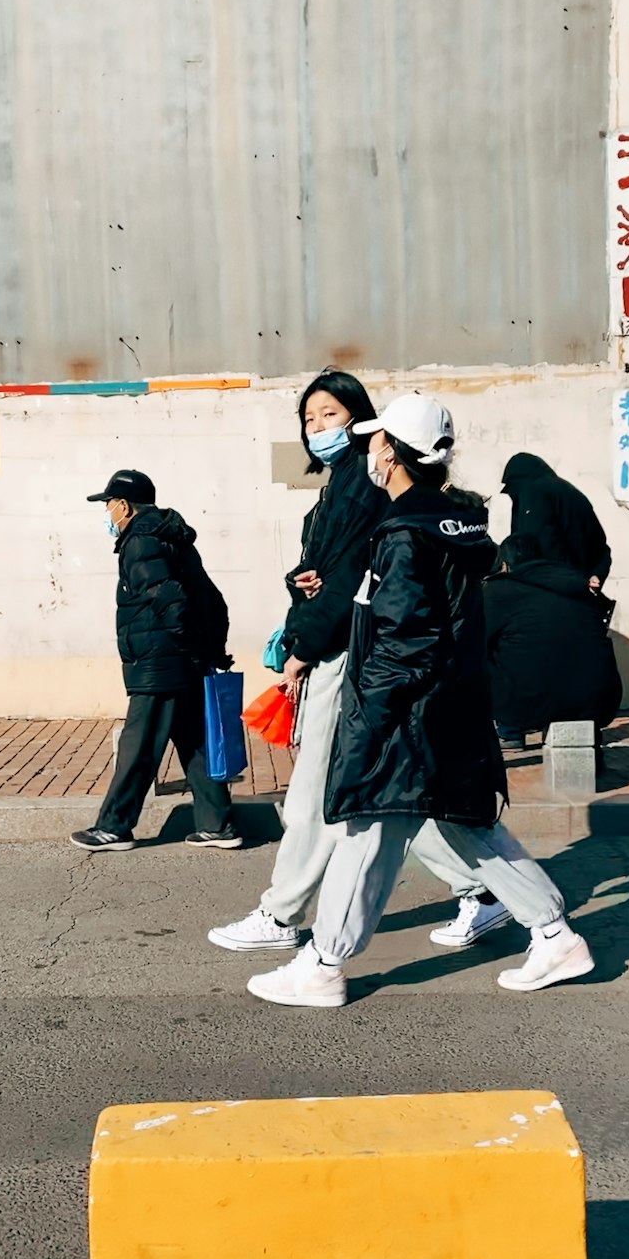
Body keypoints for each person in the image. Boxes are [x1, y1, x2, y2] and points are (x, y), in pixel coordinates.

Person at [246, 395, 595, 1008]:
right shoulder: (456, 523)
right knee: (465, 826)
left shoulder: (404, 534)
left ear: (394, 452)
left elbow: (403, 642)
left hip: (407, 715)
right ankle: (553, 934)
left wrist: (369, 724)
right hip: (452, 707)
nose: (369, 451)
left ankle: (323, 964)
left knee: (366, 830)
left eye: (377, 442)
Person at [207, 369, 387, 948]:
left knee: (311, 791)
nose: (318, 428)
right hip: (345, 643)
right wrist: (300, 581)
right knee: (394, 797)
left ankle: (281, 916)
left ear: (358, 416)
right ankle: (485, 892)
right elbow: (330, 574)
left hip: (344, 651)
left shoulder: (360, 483)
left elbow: (350, 582)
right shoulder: (341, 482)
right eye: (309, 420)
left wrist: (301, 651)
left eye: (329, 415)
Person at [70, 469, 240, 853]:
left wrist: (181, 645)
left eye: (109, 505)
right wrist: (207, 650)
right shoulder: (171, 537)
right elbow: (212, 599)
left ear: (124, 506)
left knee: (139, 746)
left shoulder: (140, 540)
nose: (108, 514)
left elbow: (168, 598)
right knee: (196, 743)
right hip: (185, 661)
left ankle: (113, 828)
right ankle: (217, 826)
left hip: (159, 663)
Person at [484, 533, 623, 742]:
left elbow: (476, 640)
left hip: (525, 703)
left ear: (506, 562)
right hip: (599, 699)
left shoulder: (499, 590)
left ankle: (510, 731)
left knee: (483, 653)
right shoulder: (581, 588)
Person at [501, 453, 612, 589]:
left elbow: (535, 544)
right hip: (582, 584)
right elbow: (599, 543)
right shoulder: (567, 490)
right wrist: (596, 574)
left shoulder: (534, 491)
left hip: (554, 586)